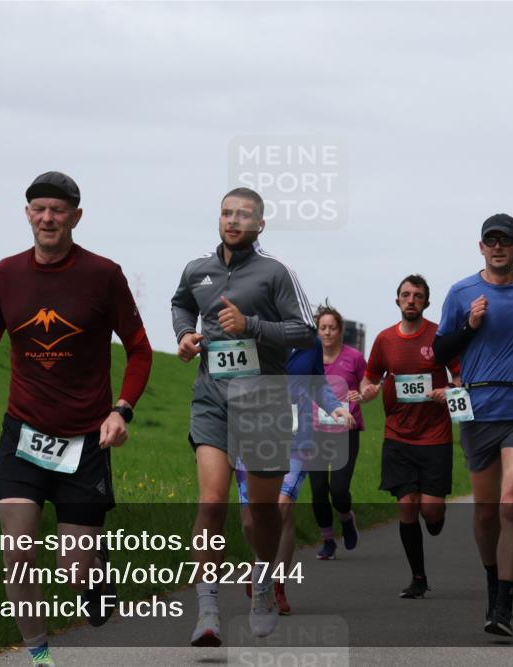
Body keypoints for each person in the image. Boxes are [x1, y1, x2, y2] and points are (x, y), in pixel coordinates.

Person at [0, 171, 153, 667]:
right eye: (39, 209)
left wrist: (121, 410)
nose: (48, 218)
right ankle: (39, 655)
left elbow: (138, 350)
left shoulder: (103, 275)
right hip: (22, 433)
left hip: (87, 441)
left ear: (76, 216)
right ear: (27, 213)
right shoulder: (6, 274)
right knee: (18, 549)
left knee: (73, 570)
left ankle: (94, 570)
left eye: (58, 210)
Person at [171, 187, 317, 646]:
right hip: (211, 398)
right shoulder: (198, 269)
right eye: (227, 213)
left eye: (245, 215)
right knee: (211, 501)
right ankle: (208, 608)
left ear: (260, 224)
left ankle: (261, 586)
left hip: (264, 402)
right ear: (218, 218)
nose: (234, 221)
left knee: (261, 513)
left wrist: (251, 326)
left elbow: (306, 332)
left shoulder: (276, 273)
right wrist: (184, 333)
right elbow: (181, 303)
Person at [433, 213, 513, 637]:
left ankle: (504, 604)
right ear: (481, 246)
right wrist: (469, 326)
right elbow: (439, 351)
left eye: (506, 240)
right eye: (491, 240)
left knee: (511, 504)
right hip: (478, 407)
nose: (498, 246)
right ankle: (493, 581)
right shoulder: (461, 292)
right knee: (486, 512)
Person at [360, 274, 461, 599]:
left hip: (435, 435)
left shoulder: (439, 336)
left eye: (418, 295)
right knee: (407, 505)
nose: (411, 299)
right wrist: (369, 391)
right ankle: (418, 578)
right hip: (398, 435)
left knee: (430, 512)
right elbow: (369, 377)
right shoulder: (385, 340)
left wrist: (449, 389)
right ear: (397, 300)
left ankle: (437, 517)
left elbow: (460, 376)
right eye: (405, 294)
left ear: (426, 302)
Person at [236, 337, 352, 614]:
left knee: (282, 508)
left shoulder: (308, 342)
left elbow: (319, 383)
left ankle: (277, 584)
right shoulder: (249, 336)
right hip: (252, 437)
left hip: (296, 440)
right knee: (252, 520)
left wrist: (334, 406)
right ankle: (261, 568)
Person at [310, 303, 368, 560]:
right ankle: (328, 541)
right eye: (322, 328)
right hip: (316, 431)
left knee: (339, 489)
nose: (327, 333)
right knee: (319, 490)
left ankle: (346, 518)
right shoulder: (308, 358)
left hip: (347, 429)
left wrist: (362, 394)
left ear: (341, 330)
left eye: (332, 328)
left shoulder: (354, 357)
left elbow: (368, 385)